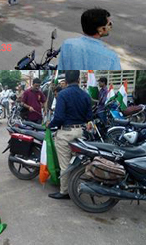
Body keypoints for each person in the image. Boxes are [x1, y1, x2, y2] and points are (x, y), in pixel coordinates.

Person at [48, 70, 93, 200]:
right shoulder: (85, 95)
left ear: (66, 81)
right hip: (79, 132)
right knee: (78, 163)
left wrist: (50, 125)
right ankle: (77, 186)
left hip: (65, 133)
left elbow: (59, 117)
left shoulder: (62, 94)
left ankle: (64, 191)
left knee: (65, 165)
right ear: (78, 79)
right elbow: (89, 117)